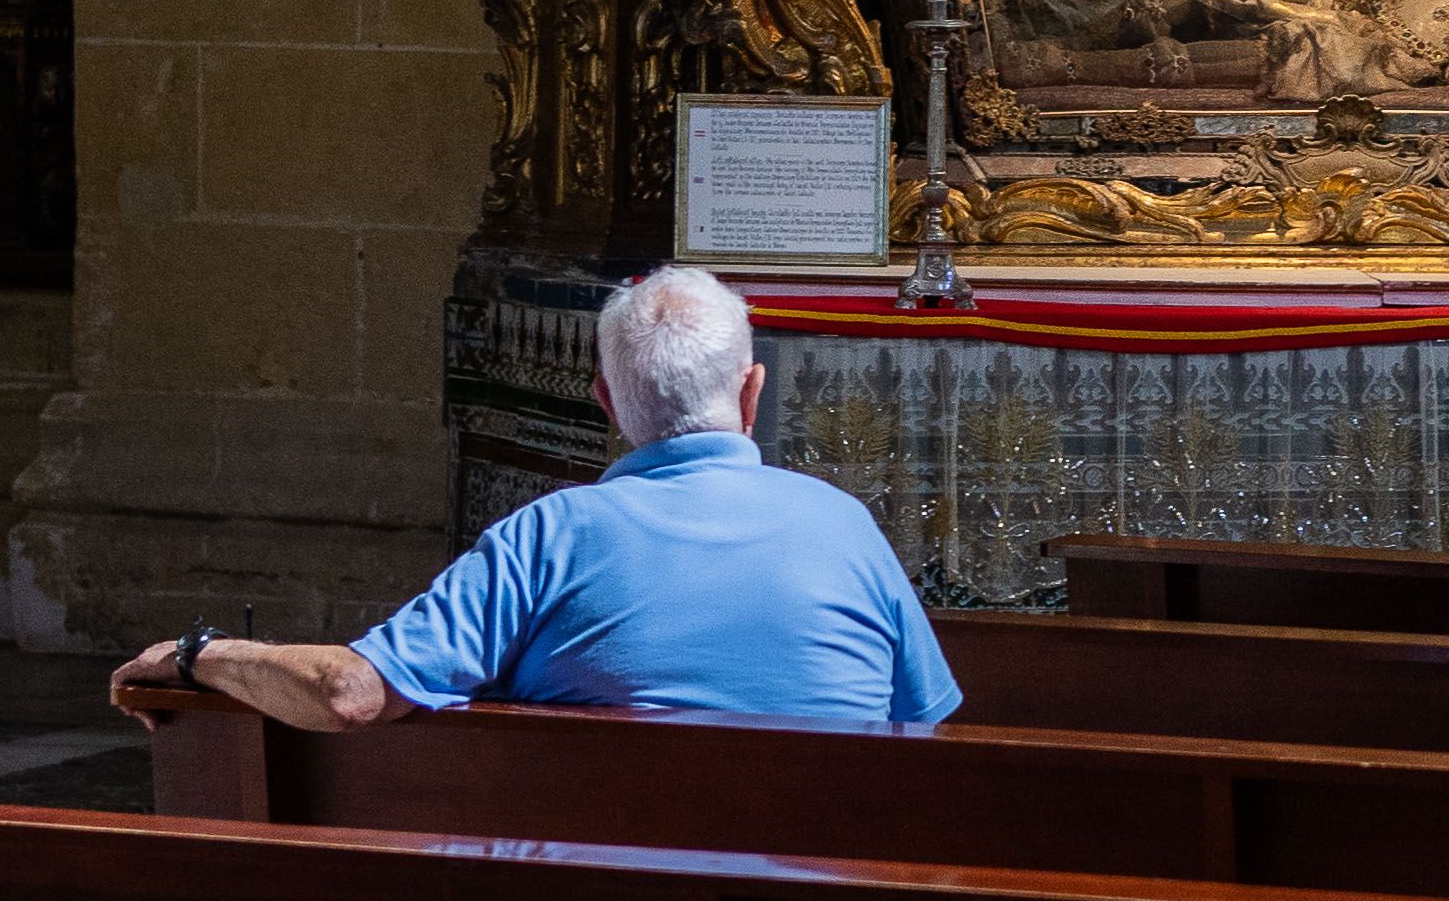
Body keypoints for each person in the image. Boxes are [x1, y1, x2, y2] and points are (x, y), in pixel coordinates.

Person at [107, 267, 958, 730]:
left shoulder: (550, 536)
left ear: (607, 404)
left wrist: (199, 654)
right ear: (751, 393)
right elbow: (923, 727)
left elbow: (350, 694)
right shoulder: (842, 525)